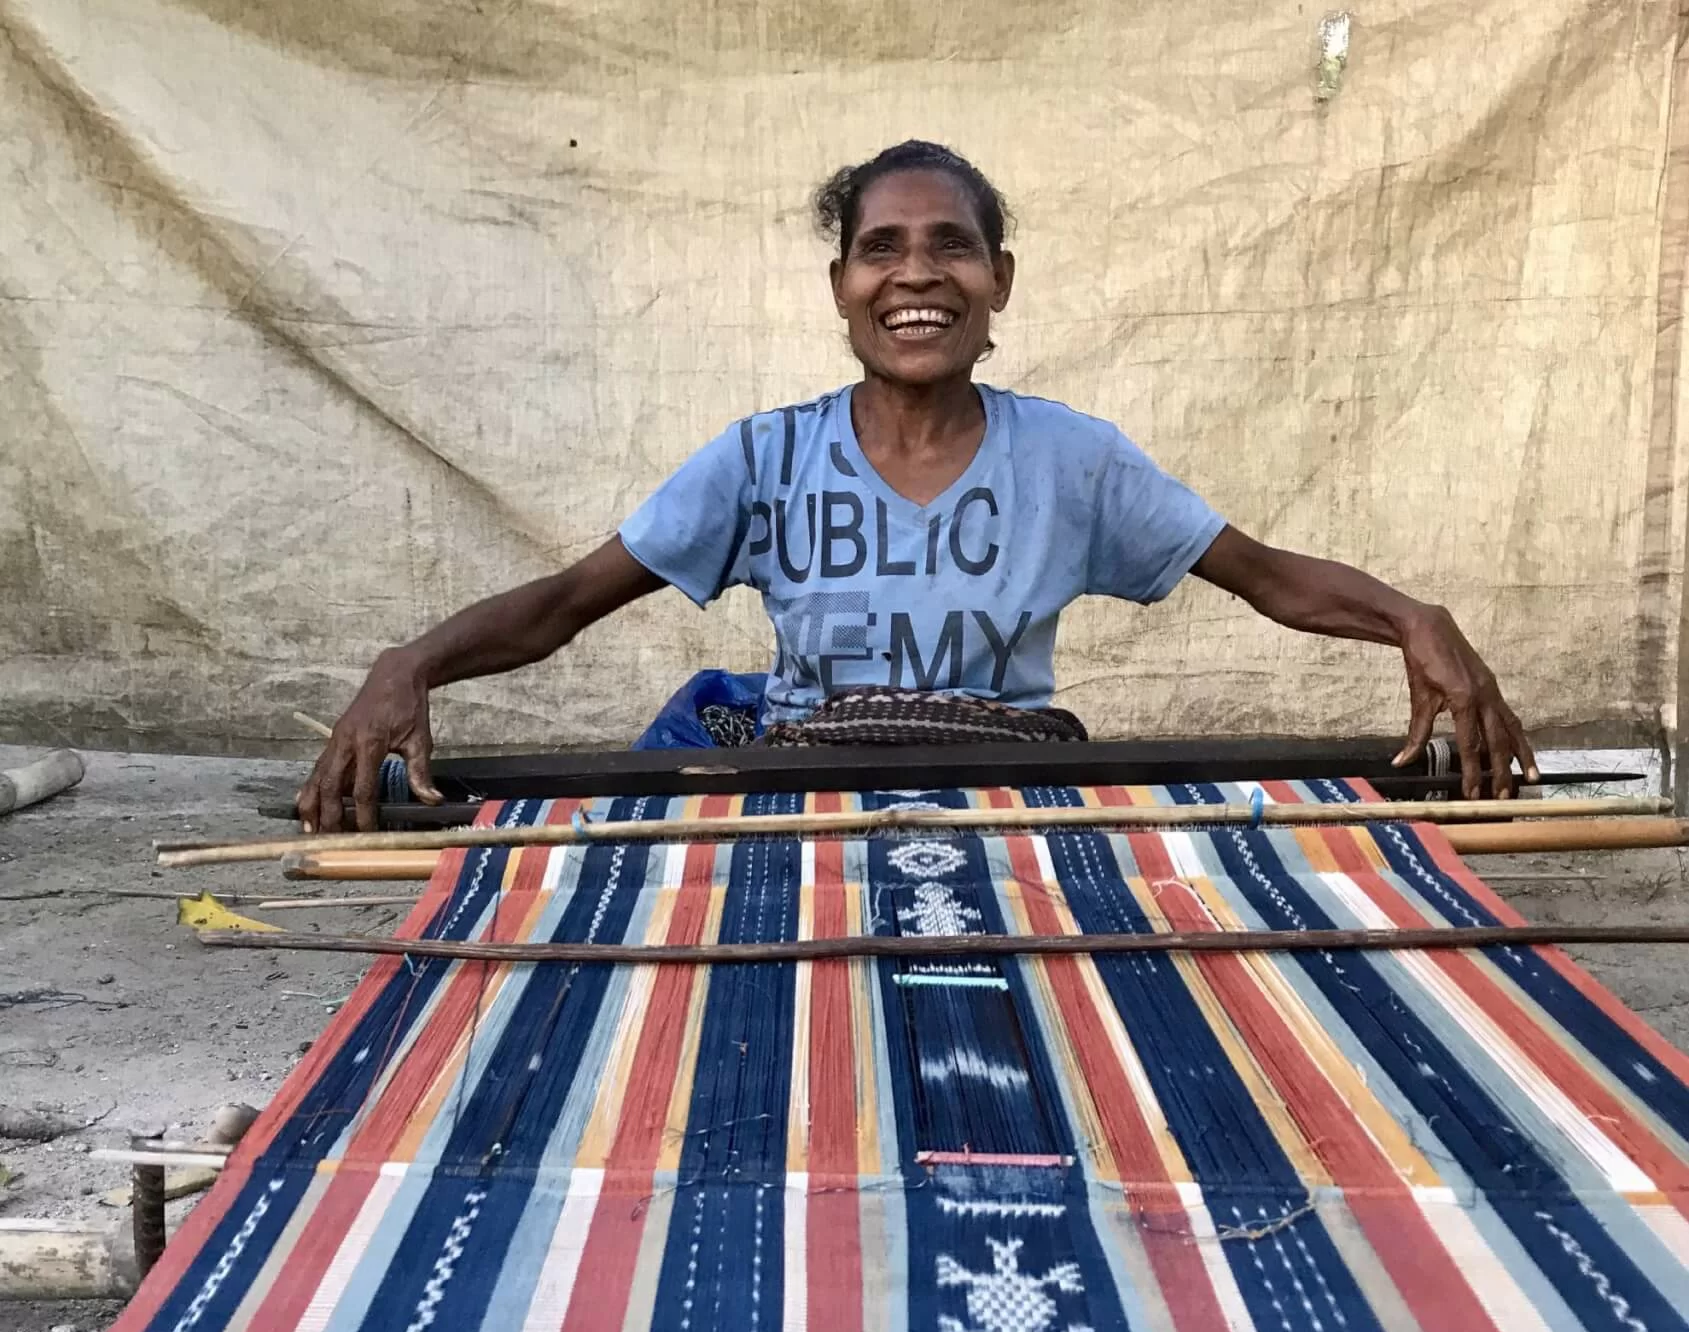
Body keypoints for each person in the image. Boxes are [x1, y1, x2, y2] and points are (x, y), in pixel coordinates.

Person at [296, 139, 1537, 832]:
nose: (916, 274)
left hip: (1013, 805)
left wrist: (1411, 620)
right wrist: (412, 664)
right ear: (842, 288)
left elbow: (1266, 578)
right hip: (803, 812)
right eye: (880, 248)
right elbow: (569, 601)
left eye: (952, 245)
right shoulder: (764, 460)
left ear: (1000, 280)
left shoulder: (1073, 460)